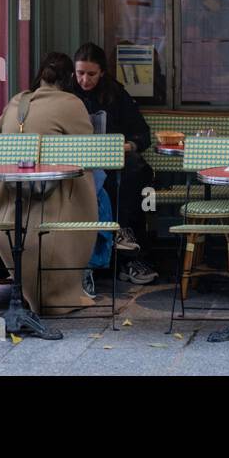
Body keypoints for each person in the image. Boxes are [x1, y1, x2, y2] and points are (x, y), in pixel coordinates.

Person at [0, 52, 96, 314]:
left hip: (7, 205)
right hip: (51, 202)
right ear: (69, 78)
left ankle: (25, 292)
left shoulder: (15, 102)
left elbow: (0, 138)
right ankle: (85, 276)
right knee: (95, 182)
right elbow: (89, 151)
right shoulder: (71, 103)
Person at [72, 42, 158, 287]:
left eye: (91, 74)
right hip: (81, 163)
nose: (85, 80)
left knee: (136, 175)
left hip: (115, 164)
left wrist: (123, 146)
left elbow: (143, 135)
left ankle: (128, 251)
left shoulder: (115, 94)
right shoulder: (68, 94)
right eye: (80, 73)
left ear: (102, 73)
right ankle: (107, 252)